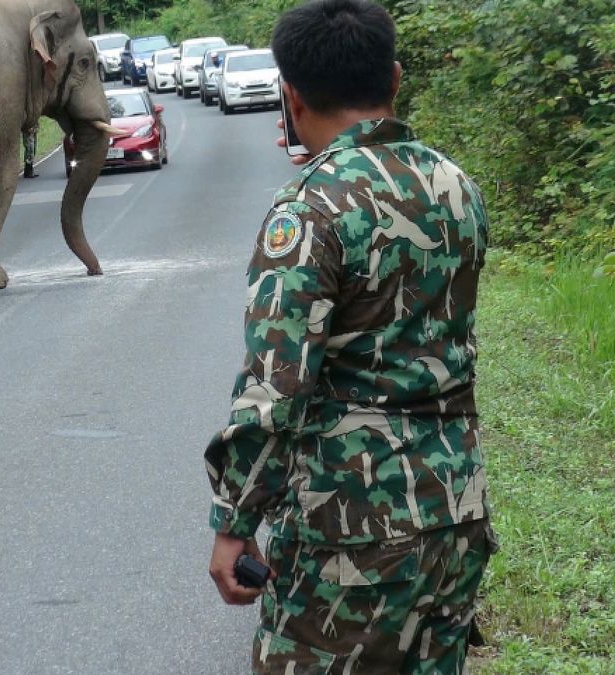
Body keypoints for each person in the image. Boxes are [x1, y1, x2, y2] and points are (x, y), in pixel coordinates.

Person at [202, 1, 496, 672]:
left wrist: (234, 523)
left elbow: (275, 390)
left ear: (292, 95)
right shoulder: (456, 186)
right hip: (457, 507)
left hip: (354, 528)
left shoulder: (310, 208)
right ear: (394, 81)